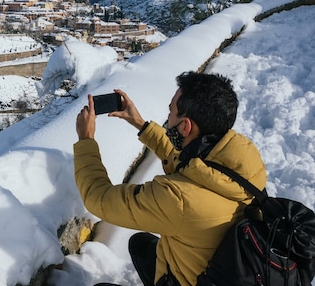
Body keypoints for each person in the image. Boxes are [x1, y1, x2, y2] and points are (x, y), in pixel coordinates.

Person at [74, 72, 267, 286]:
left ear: (185, 127)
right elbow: (187, 164)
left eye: (171, 111)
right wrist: (139, 123)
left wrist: (86, 140)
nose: (168, 118)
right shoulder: (240, 158)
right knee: (141, 245)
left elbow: (97, 198)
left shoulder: (178, 199)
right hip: (225, 266)